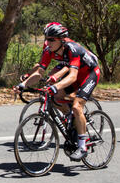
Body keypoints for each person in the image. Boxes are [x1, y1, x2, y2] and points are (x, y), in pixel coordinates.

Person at [14, 23, 101, 161]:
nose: (47, 42)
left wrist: (56, 85)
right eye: (47, 39)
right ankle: (71, 119)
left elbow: (72, 76)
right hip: (75, 75)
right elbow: (40, 72)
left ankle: (82, 146)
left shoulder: (73, 49)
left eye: (51, 39)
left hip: (90, 74)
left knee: (77, 106)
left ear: (61, 39)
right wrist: (23, 84)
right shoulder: (48, 50)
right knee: (54, 97)